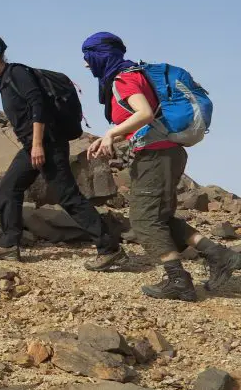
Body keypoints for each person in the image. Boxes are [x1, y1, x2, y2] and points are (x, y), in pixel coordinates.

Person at [82, 32, 240, 301]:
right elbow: (146, 119)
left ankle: (178, 279)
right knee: (161, 218)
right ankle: (219, 255)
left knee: (143, 221)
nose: (86, 64)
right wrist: (110, 138)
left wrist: (109, 135)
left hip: (156, 156)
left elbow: (143, 113)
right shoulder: (135, 74)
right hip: (166, 153)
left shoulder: (123, 79)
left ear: (100, 56)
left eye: (88, 57)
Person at [0, 32, 122, 266]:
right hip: (34, 146)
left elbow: (38, 105)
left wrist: (37, 144)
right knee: (9, 189)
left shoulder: (16, 72)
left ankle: (109, 248)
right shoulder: (5, 80)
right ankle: (9, 244)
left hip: (47, 144)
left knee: (68, 196)